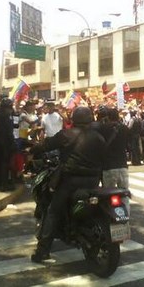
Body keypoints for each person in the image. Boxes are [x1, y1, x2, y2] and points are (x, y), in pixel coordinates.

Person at [30, 106, 106, 263]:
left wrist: (33, 148)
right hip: (93, 180)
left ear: (74, 119)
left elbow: (46, 145)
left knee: (53, 211)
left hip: (71, 181)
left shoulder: (66, 134)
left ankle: (42, 251)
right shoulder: (99, 137)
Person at [100, 107, 130, 214]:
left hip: (108, 166)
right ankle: (125, 219)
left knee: (108, 195)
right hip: (122, 165)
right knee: (124, 194)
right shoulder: (125, 128)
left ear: (108, 117)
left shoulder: (103, 128)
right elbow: (128, 145)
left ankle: (110, 219)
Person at [0, 97, 17, 191]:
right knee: (5, 163)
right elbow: (9, 131)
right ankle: (4, 184)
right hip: (5, 142)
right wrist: (13, 142)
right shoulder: (8, 116)